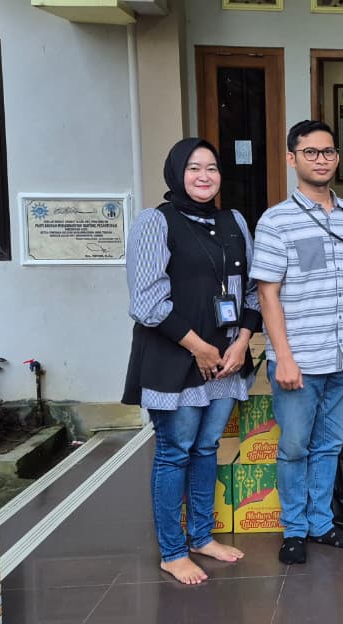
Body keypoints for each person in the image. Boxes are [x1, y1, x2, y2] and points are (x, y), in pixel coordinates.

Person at [123, 138, 255, 584]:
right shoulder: (155, 222)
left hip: (226, 358)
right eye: (194, 168)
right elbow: (146, 301)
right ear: (176, 174)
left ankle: (201, 536)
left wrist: (243, 342)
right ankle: (173, 551)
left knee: (206, 447)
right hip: (176, 360)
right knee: (174, 452)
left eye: (212, 168)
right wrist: (198, 346)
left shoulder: (233, 221)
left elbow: (250, 289)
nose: (204, 176)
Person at [251, 120, 343, 566]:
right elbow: (267, 294)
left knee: (330, 445)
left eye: (328, 151)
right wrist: (282, 357)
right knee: (295, 448)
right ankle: (294, 530)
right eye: (311, 152)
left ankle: (321, 523)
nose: (322, 159)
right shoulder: (276, 220)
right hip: (299, 359)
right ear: (292, 158)